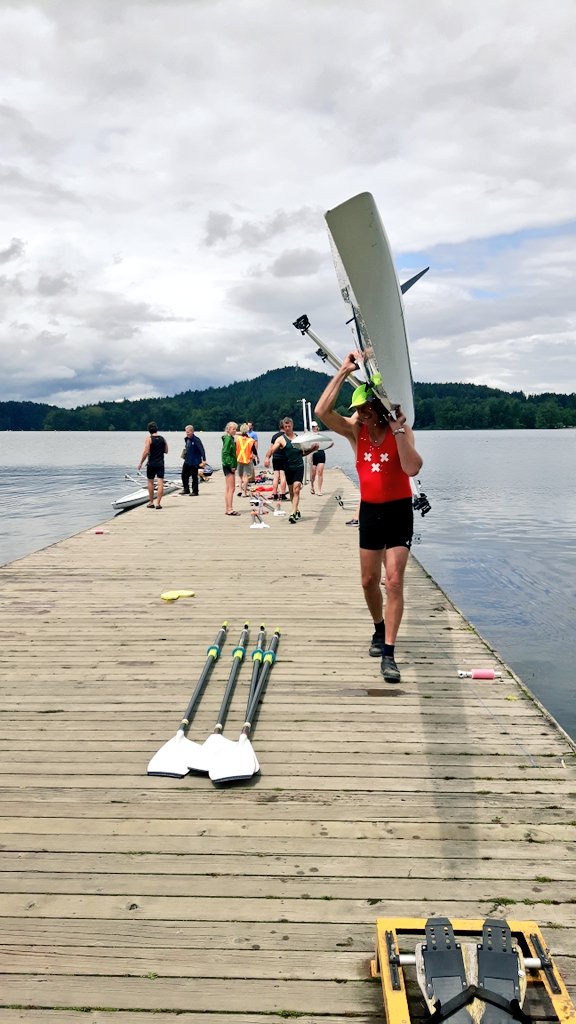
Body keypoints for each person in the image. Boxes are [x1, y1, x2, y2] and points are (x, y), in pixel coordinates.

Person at [315, 354, 423, 682]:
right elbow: (321, 412)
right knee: (367, 581)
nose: (359, 414)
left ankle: (389, 654)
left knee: (394, 580)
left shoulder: (400, 429)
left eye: (364, 408)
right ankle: (379, 629)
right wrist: (344, 370)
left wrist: (398, 430)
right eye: (357, 410)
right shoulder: (354, 431)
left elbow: (412, 468)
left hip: (399, 509)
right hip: (372, 512)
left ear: (378, 407)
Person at [264, 416, 317, 524]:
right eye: (285, 426)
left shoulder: (298, 438)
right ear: (283, 427)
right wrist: (267, 458)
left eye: (289, 426)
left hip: (298, 467)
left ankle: (292, 513)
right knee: (292, 491)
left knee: (297, 489)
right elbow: (272, 449)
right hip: (288, 467)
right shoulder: (281, 439)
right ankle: (296, 510)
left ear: (292, 426)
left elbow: (302, 453)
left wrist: (312, 449)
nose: (287, 428)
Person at [137, 421, 168, 509]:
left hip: (151, 464)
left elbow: (146, 451)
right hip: (160, 463)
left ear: (149, 430)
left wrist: (141, 463)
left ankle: (151, 502)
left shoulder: (149, 439)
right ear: (156, 429)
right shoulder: (163, 438)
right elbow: (166, 450)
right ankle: (158, 503)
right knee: (160, 483)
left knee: (150, 482)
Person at [180, 424, 206, 496]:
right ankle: (186, 489)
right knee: (184, 475)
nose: (187, 433)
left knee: (194, 476)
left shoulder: (196, 440)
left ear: (192, 431)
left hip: (195, 461)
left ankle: (195, 491)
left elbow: (202, 450)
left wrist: (204, 459)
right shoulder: (187, 439)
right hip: (187, 460)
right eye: (186, 432)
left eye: (188, 432)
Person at [221, 421, 240, 515]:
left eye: (235, 429)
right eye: (233, 429)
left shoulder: (230, 438)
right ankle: (230, 509)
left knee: (228, 488)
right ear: (228, 429)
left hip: (228, 465)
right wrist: (231, 465)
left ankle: (227, 508)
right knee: (232, 488)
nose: (235, 431)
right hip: (229, 465)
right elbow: (225, 453)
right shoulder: (228, 439)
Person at [236, 423, 257, 498]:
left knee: (239, 475)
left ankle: (239, 491)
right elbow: (254, 451)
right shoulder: (251, 440)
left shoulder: (238, 439)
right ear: (248, 430)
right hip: (247, 460)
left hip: (239, 459)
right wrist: (256, 457)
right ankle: (245, 493)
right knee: (246, 477)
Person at [270, 418, 288, 501]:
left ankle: (274, 493)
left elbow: (271, 448)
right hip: (284, 457)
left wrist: (268, 456)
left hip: (276, 457)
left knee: (276, 476)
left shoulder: (274, 436)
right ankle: (283, 494)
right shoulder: (287, 436)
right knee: (283, 476)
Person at [310, 420, 326, 495]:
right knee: (313, 473)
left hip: (321, 454)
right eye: (312, 427)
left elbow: (325, 444)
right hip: (314, 455)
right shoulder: (309, 437)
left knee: (320, 472)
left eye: (315, 427)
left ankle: (319, 490)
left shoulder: (321, 436)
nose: (314, 428)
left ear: (317, 427)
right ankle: (312, 486)